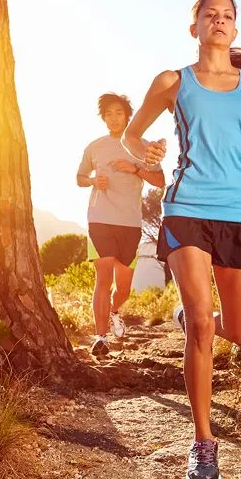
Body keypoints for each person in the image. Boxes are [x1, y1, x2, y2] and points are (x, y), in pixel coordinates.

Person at [122, 0, 241, 479]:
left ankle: (185, 318)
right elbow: (132, 135)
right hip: (187, 208)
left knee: (236, 332)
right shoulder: (174, 82)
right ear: (193, 27)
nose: (218, 21)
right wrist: (146, 151)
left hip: (239, 211)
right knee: (201, 321)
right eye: (209, 15)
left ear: (235, 30)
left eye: (227, 16)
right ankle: (202, 442)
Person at [77, 93, 165, 356]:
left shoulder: (143, 146)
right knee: (102, 280)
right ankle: (101, 338)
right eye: (109, 114)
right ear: (103, 118)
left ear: (128, 116)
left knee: (123, 287)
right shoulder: (94, 147)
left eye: (119, 113)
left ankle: (115, 312)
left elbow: (160, 180)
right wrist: (93, 181)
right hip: (100, 218)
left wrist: (134, 169)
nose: (114, 119)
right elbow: (80, 177)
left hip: (130, 223)